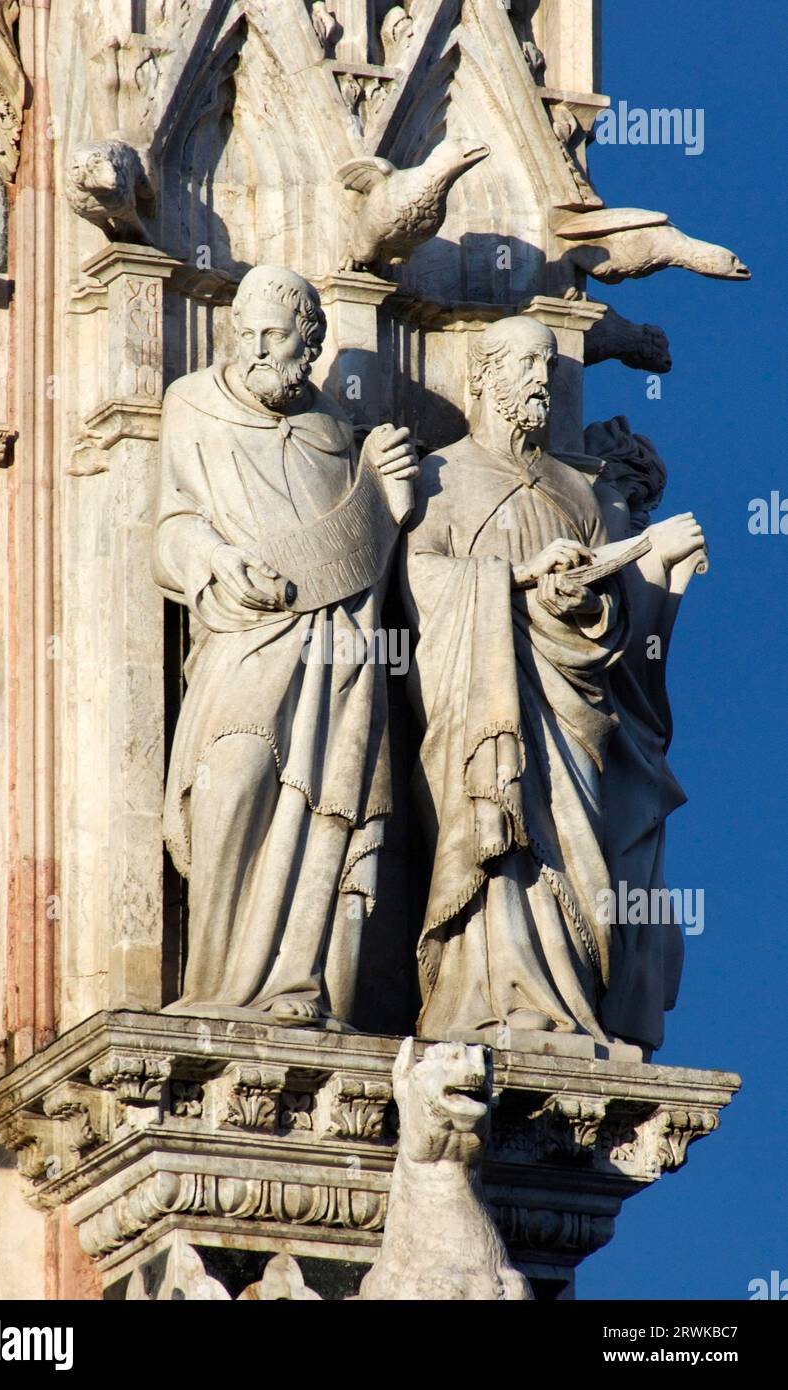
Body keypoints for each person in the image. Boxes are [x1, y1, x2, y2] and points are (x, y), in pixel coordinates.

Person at [153, 265, 417, 1027]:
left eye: (275, 334)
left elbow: (373, 576)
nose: (257, 349)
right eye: (247, 334)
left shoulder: (340, 436)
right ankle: (216, 981)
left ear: (312, 340)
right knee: (232, 784)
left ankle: (298, 982)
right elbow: (167, 529)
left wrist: (391, 505)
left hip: (339, 657)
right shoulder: (193, 406)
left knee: (323, 808)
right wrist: (209, 556)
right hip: (241, 640)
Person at [401, 315, 632, 1044]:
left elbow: (610, 619)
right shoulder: (442, 476)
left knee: (572, 842)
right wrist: (511, 580)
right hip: (479, 699)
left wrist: (585, 601)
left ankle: (563, 1002)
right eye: (525, 366)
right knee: (493, 829)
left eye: (548, 368)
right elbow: (415, 581)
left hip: (565, 707)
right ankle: (484, 998)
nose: (540, 380)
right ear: (483, 376)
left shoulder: (577, 490)